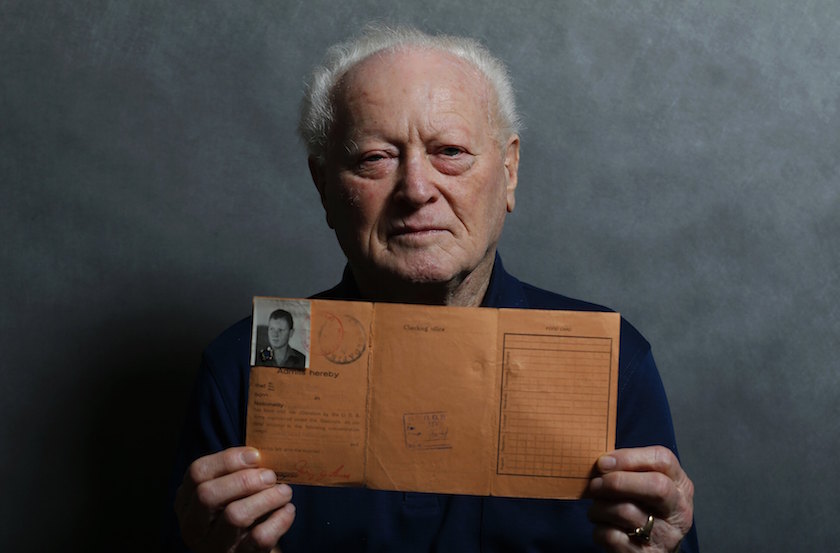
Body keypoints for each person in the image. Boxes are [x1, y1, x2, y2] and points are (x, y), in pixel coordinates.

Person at [168, 26, 698, 553]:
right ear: (323, 186)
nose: (417, 190)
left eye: (449, 150)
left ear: (509, 171)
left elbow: (656, 535)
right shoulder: (244, 368)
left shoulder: (614, 361)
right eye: (375, 158)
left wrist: (660, 546)